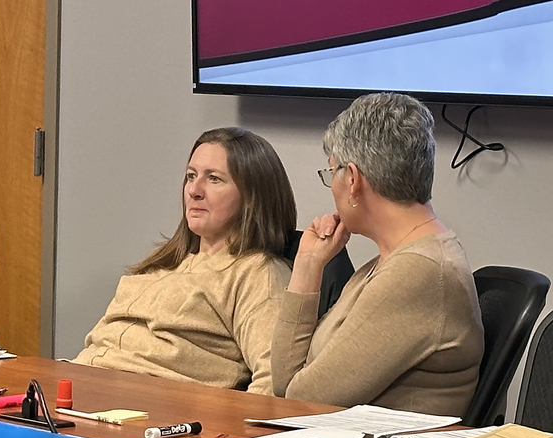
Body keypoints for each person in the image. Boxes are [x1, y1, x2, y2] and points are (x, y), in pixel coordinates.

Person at [272, 92, 483, 416]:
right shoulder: (390, 262)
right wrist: (308, 265)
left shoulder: (418, 271)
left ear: (353, 179)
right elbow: (285, 385)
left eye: (331, 173)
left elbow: (303, 400)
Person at [73, 127, 297, 394]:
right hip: (79, 383)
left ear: (252, 196)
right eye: (191, 176)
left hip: (146, 405)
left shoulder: (258, 273)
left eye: (214, 179)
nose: (194, 190)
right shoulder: (165, 263)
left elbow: (274, 381)